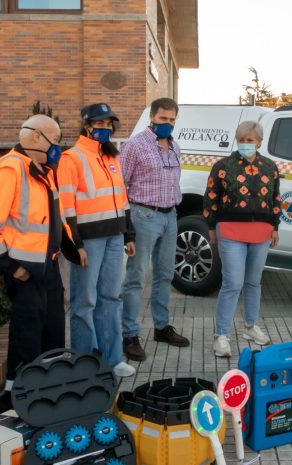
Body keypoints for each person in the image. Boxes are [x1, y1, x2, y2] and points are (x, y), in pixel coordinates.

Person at [0, 114, 80, 413]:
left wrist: (73, 247)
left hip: (48, 271)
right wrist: (9, 266)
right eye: (55, 140)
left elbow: (53, 220)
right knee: (26, 344)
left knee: (53, 341)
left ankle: (47, 401)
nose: (58, 146)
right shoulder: (10, 169)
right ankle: (15, 407)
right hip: (26, 275)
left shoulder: (42, 171)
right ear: (36, 137)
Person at [56, 103, 136, 377]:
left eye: (108, 125)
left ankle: (113, 360)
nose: (104, 129)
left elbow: (122, 199)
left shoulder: (112, 157)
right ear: (87, 125)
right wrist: (74, 244)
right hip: (87, 241)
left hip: (114, 237)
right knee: (84, 303)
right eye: (99, 124)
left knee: (111, 298)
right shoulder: (71, 158)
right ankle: (83, 363)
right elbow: (66, 207)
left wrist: (128, 234)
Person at [202, 121, 281, 357]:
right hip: (231, 231)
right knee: (232, 283)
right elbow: (211, 197)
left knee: (253, 282)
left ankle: (250, 326)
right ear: (237, 140)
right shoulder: (223, 166)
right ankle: (222, 335)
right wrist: (211, 227)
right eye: (243, 139)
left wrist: (275, 227)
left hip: (261, 232)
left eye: (251, 140)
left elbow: (276, 198)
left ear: (259, 141)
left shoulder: (270, 167)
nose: (247, 144)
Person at [120, 97, 189, 361]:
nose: (168, 124)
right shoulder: (134, 146)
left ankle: (161, 327)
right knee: (136, 277)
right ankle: (130, 335)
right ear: (152, 117)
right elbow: (121, 187)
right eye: (163, 119)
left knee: (165, 275)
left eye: (172, 119)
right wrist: (127, 228)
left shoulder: (175, 147)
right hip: (143, 215)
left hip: (170, 215)